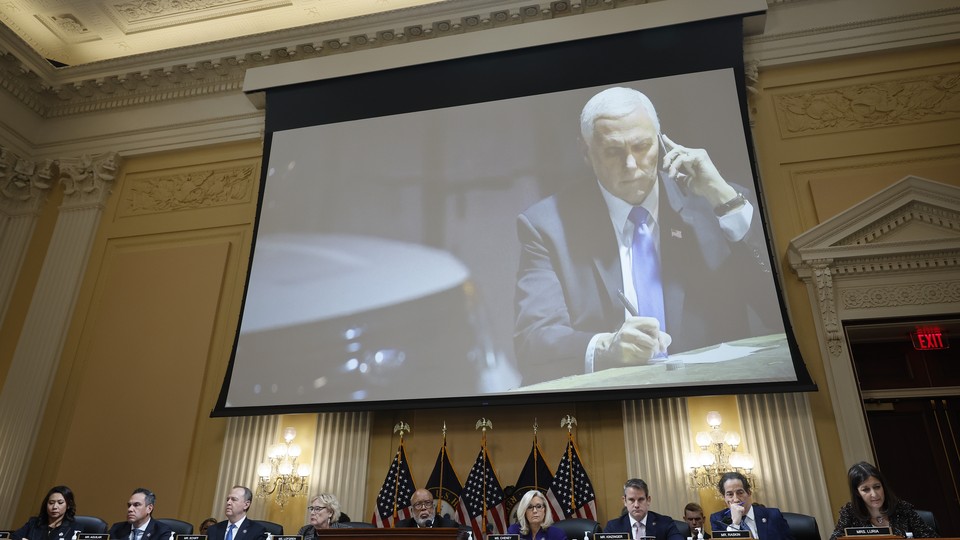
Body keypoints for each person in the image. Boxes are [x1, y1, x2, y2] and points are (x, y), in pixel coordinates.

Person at [514, 86, 776, 384]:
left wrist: (725, 202)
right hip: (611, 400)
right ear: (585, 152)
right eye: (613, 151)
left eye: (641, 146)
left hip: (715, 392)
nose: (630, 164)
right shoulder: (546, 225)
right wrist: (606, 347)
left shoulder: (718, 205)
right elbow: (533, 340)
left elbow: (774, 309)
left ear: (662, 143)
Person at [829, 461, 936, 540]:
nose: (874, 494)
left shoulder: (902, 508)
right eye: (866, 489)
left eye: (877, 487)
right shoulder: (849, 512)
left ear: (883, 486)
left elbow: (931, 537)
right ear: (857, 493)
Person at [709, 472, 792, 540]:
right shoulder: (718, 519)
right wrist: (735, 524)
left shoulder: (773, 515)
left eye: (740, 493)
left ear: (749, 493)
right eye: (730, 494)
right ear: (724, 497)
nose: (736, 499)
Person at [604, 479, 684, 540]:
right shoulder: (613, 527)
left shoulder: (665, 523)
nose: (636, 505)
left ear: (648, 500)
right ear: (624, 501)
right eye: (631, 500)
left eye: (641, 499)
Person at [13, 486, 81, 540]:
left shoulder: (74, 527)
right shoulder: (33, 523)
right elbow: (13, 537)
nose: (54, 507)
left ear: (68, 505)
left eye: (60, 503)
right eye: (51, 503)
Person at [108, 488, 174, 540]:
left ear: (149, 508)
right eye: (129, 505)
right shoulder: (117, 529)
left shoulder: (162, 531)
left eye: (136, 505)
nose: (130, 509)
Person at [395, 489, 461, 528]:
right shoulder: (403, 527)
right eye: (418, 504)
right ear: (412, 511)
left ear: (433, 507)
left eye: (428, 503)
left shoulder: (449, 527)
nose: (423, 508)